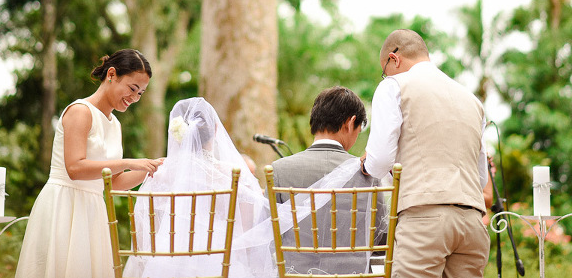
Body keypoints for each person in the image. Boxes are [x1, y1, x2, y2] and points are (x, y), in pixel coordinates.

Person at [15, 49, 164, 278]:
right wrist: (129, 162)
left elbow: (114, 183)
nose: (135, 98)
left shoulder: (115, 124)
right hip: (65, 206)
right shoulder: (80, 111)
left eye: (141, 93)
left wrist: (152, 169)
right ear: (111, 74)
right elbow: (75, 168)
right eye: (132, 88)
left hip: (93, 211)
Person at [361, 29, 490, 278]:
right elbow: (481, 177)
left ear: (394, 59)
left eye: (384, 70)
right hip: (472, 223)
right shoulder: (473, 101)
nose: (385, 76)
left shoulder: (394, 86)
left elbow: (380, 160)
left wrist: (365, 165)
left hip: (424, 219)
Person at [123, 97, 275, 278]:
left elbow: (145, 238)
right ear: (216, 129)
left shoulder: (160, 176)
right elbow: (248, 237)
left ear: (176, 133)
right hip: (223, 266)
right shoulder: (236, 177)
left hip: (167, 266)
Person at [270, 86, 388, 275]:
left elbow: (268, 234)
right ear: (351, 123)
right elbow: (380, 235)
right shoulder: (367, 173)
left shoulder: (278, 170)